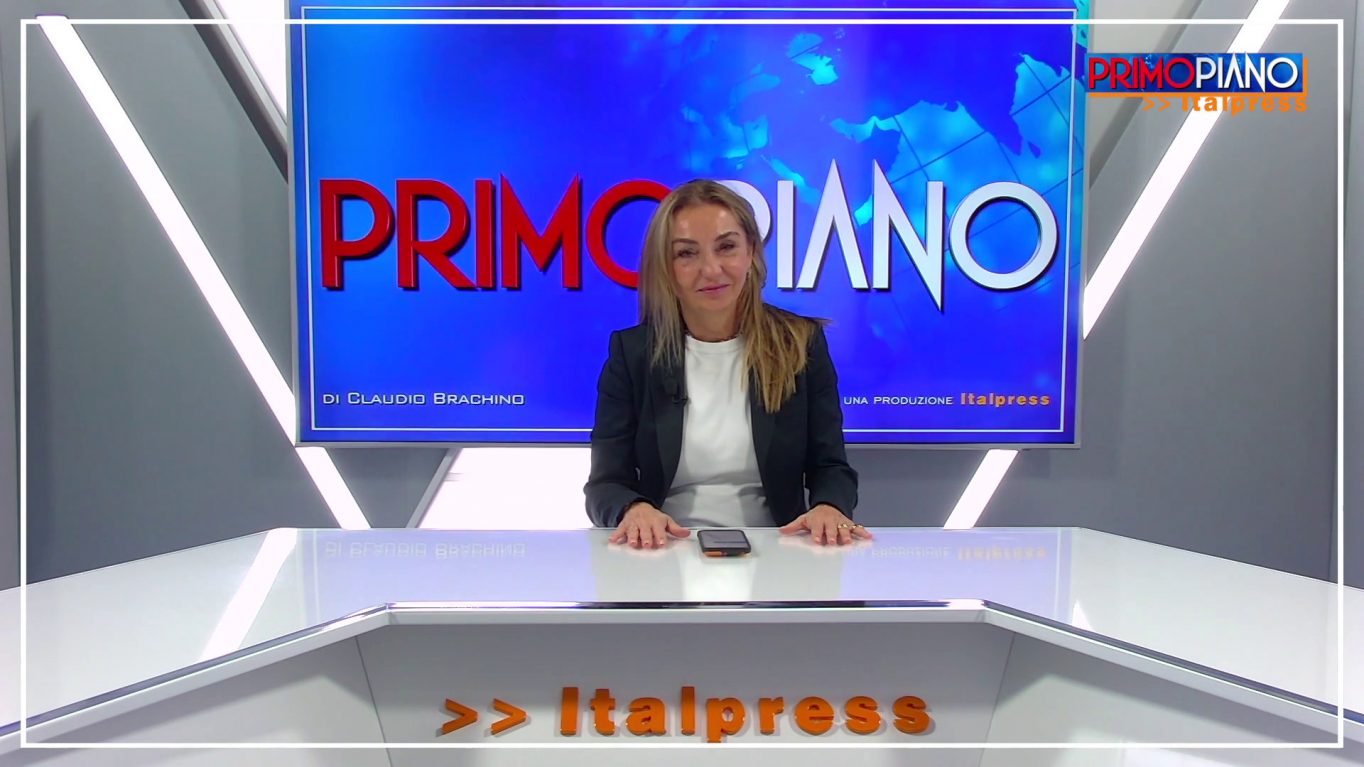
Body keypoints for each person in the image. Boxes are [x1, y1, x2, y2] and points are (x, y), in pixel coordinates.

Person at [583, 179, 869, 548]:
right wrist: (633, 509)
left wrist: (829, 507)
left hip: (780, 551)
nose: (711, 269)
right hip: (664, 550)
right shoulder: (633, 353)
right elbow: (605, 485)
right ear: (666, 267)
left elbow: (831, 467)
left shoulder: (800, 344)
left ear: (751, 252)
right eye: (687, 253)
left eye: (726, 247)